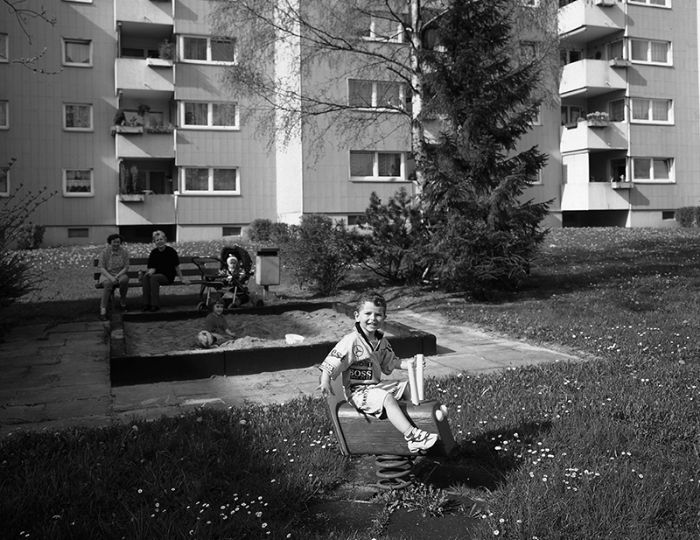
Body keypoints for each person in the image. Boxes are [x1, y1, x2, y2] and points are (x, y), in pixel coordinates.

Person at [318, 291, 438, 454]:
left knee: (407, 387)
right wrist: (325, 381)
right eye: (367, 313)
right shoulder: (351, 341)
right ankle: (413, 437)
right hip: (357, 392)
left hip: (375, 386)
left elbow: (391, 363)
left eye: (378, 315)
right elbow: (332, 361)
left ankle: (416, 421)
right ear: (357, 316)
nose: (373, 318)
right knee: (387, 398)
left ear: (384, 318)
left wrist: (410, 363)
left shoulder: (381, 341)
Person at [141, 230, 190, 311]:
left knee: (154, 278)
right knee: (146, 277)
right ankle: (146, 304)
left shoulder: (171, 251)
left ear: (165, 240)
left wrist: (182, 279)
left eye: (161, 239)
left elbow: (177, 267)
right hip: (156, 275)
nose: (159, 241)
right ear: (154, 242)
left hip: (167, 276)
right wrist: (150, 272)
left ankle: (155, 305)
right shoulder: (153, 253)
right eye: (157, 240)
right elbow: (151, 267)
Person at [97, 233, 130, 320]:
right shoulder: (104, 252)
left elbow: (126, 267)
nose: (116, 244)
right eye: (114, 242)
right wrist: (111, 278)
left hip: (120, 274)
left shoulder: (124, 252)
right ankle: (103, 310)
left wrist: (118, 276)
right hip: (107, 275)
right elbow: (101, 268)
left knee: (124, 280)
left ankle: (123, 303)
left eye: (118, 242)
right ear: (110, 242)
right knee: (108, 284)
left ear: (120, 243)